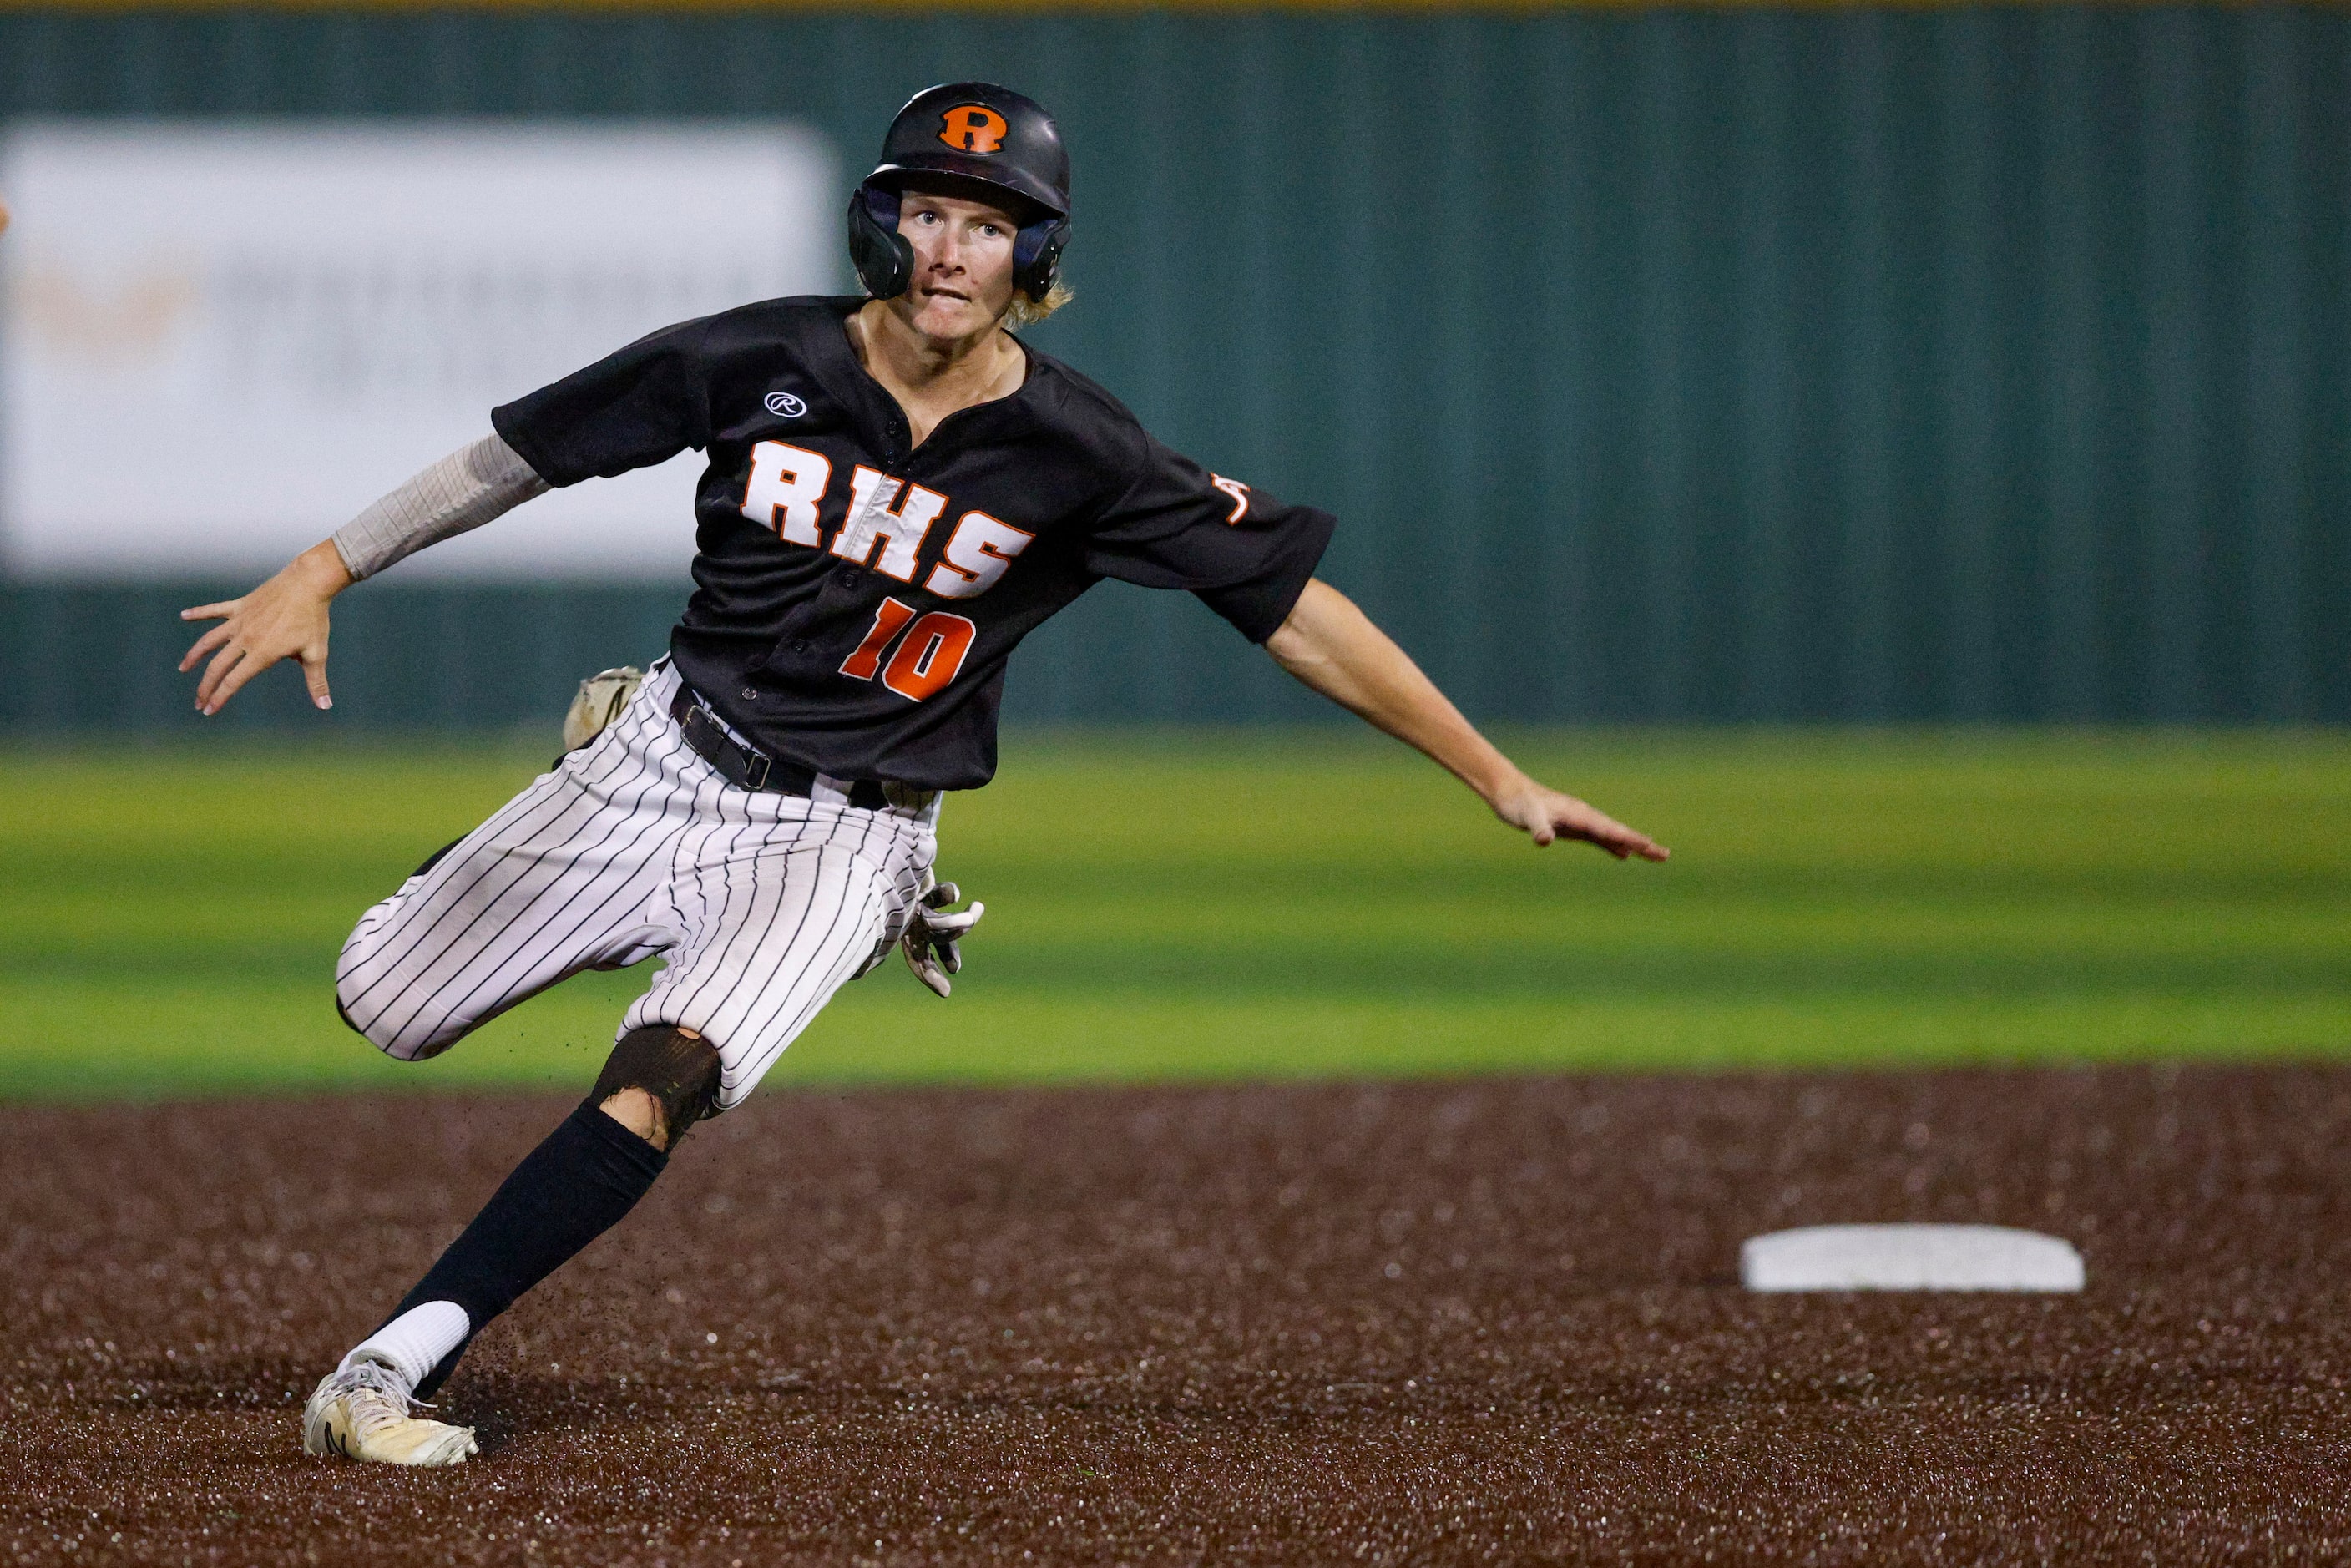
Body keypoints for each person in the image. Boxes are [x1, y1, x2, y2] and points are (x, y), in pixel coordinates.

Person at [179, 82, 1668, 1468]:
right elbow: (523, 454)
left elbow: (1289, 608)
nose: (952, 246)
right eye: (931, 210)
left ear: (1037, 253)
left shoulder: (1080, 451)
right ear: (885, 224)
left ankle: (390, 1363)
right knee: (385, 999)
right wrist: (326, 565)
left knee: (670, 1070)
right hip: (660, 757)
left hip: (847, 830)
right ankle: (630, 836)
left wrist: (1493, 773)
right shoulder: (758, 357)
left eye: (990, 220)